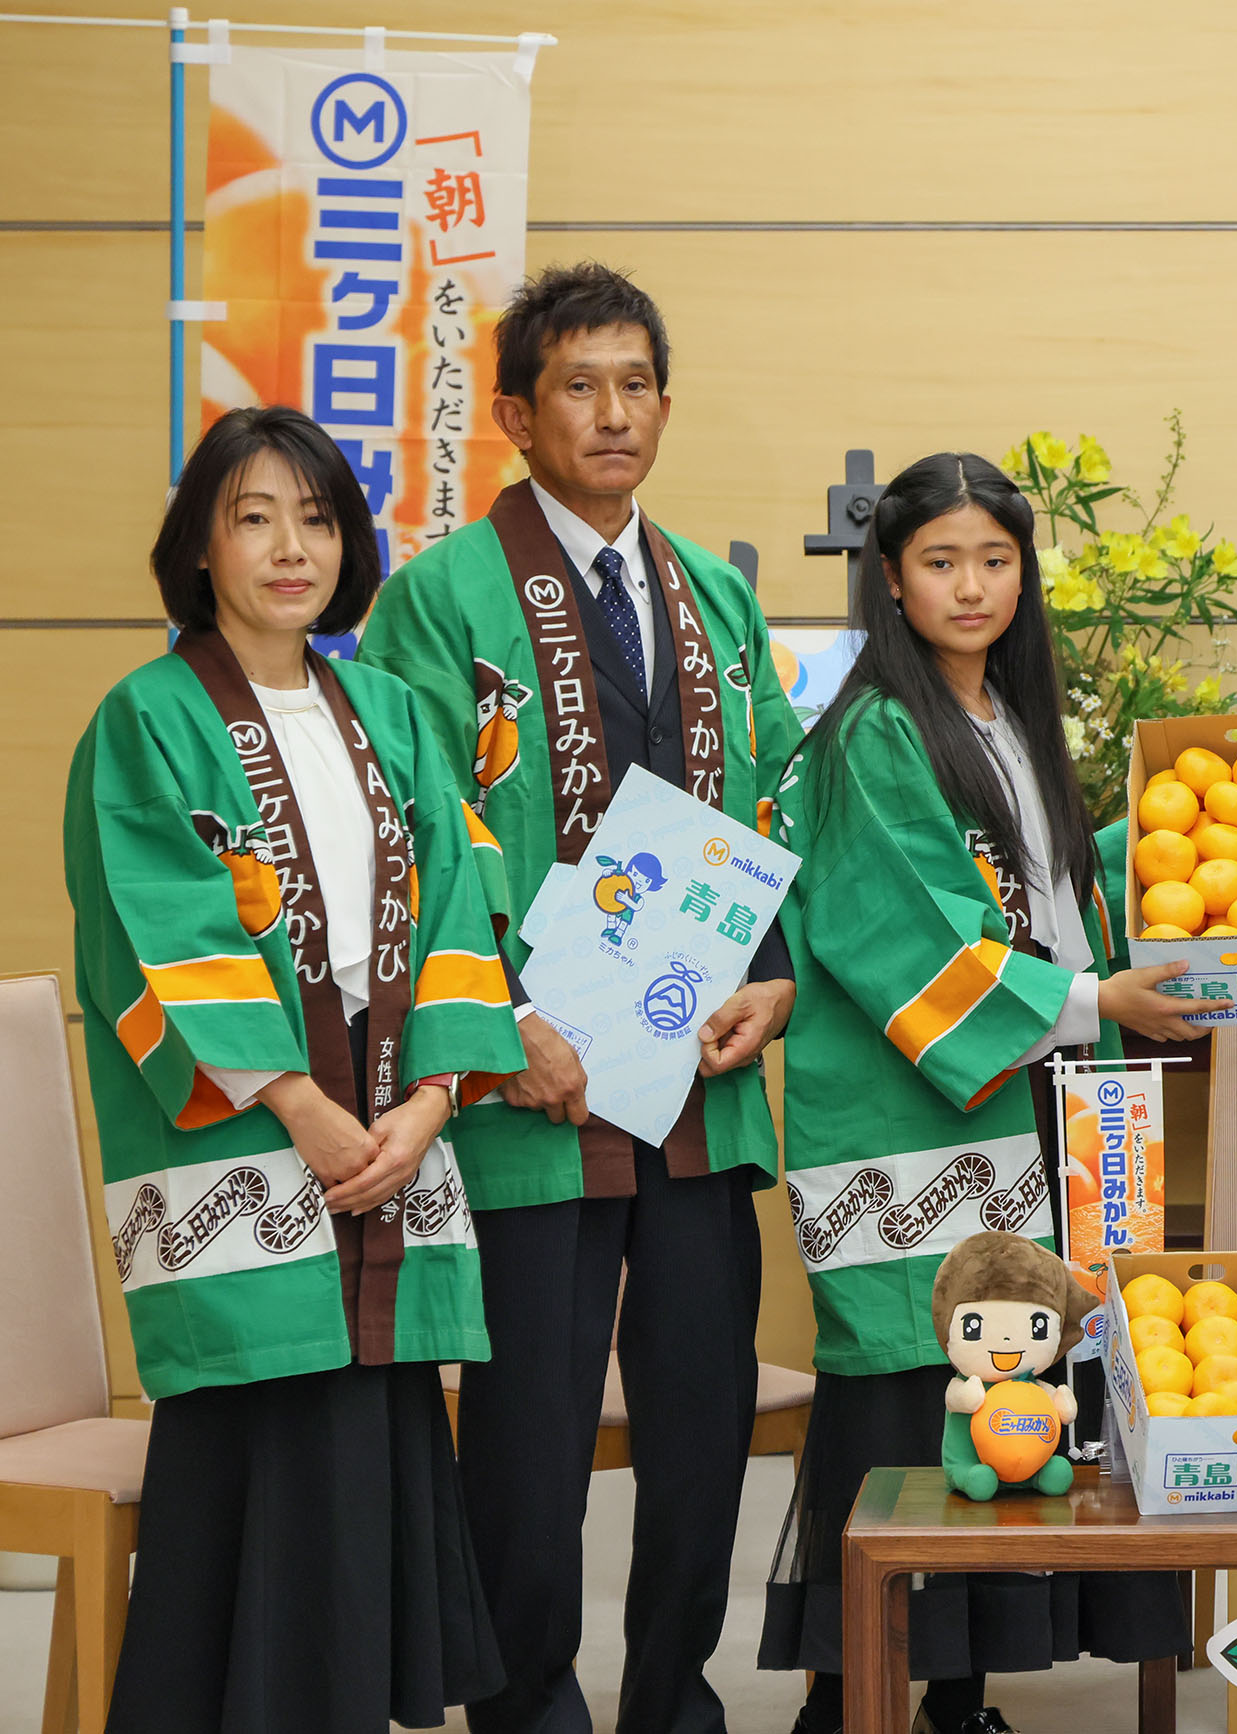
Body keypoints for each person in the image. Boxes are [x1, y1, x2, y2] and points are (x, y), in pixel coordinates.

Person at [358, 262, 805, 1734]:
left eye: (636, 386)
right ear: (514, 412)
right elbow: (420, 831)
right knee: (530, 1447)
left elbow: (779, 807)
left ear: (665, 406)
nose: (613, 415)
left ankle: (672, 1700)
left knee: (698, 1430)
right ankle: (530, 1708)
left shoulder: (721, 597)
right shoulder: (441, 598)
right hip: (532, 1091)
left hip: (696, 1083)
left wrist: (777, 977)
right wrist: (505, 1024)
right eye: (578, 386)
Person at [65, 405, 525, 1731]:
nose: (290, 547)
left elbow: (464, 904)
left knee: (371, 1447)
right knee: (257, 1453)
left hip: (393, 1141)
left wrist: (430, 1102)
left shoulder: (389, 710)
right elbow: (158, 932)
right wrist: (304, 1106)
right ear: (199, 545)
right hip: (250, 1148)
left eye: (316, 517)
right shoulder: (145, 719)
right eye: (253, 515)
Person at [756, 453, 1198, 1734]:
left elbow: (1051, 898)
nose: (970, 585)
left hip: (1033, 1108)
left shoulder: (1011, 713)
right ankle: (857, 1701)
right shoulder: (871, 733)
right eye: (940, 561)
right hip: (920, 1129)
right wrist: (1094, 1002)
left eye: (994, 560)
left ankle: (953, 1699)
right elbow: (907, 933)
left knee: (1006, 1396)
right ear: (888, 578)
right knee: (911, 1401)